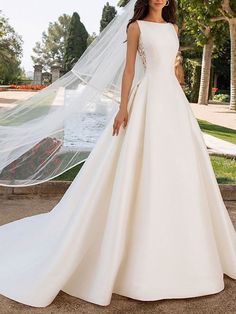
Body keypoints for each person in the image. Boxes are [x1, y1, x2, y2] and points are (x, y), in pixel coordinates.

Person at [0, 0, 235, 308]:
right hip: (147, 97)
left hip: (174, 104)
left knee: (179, 169)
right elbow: (128, 71)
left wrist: (180, 88)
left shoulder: (174, 27)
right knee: (141, 165)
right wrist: (123, 108)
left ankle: (186, 250)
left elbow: (173, 68)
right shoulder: (135, 27)